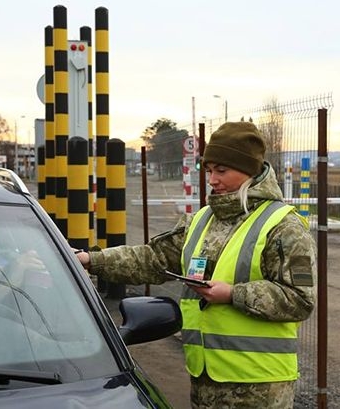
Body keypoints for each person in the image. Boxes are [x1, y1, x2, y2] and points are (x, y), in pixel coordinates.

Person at [73, 121, 317, 409]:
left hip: (260, 388)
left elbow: (300, 300)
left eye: (222, 171)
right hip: (204, 380)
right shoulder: (202, 220)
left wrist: (232, 294)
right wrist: (91, 260)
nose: (212, 180)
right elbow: (153, 259)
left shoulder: (283, 226)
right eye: (209, 170)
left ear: (250, 170)